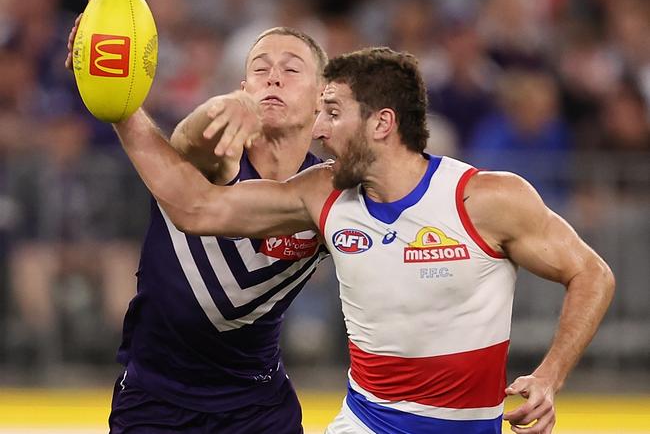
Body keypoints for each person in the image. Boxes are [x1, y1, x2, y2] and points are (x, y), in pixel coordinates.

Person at [110, 47, 614, 434]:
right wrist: (121, 108)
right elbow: (197, 205)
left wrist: (550, 375)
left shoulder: (484, 198)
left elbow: (591, 273)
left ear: (381, 123)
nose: (319, 128)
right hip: (364, 423)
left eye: (332, 112)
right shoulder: (323, 194)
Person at [66, 24, 330, 433]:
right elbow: (189, 139)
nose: (274, 76)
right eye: (260, 70)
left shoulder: (329, 192)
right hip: (156, 400)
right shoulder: (222, 155)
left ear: (321, 97)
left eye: (292, 70)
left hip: (258, 406)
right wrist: (227, 105)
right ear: (243, 86)